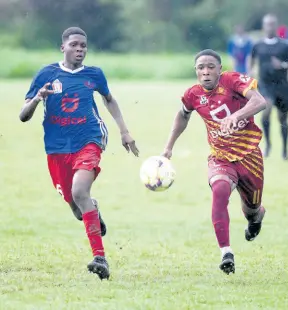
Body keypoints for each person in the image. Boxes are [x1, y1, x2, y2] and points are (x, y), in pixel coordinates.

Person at [20, 27, 139, 280]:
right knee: (77, 208)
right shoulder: (46, 74)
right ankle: (92, 210)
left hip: (89, 140)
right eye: (74, 45)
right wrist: (38, 98)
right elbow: (23, 116)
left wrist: (124, 131)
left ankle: (100, 257)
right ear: (62, 47)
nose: (80, 50)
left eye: (83, 46)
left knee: (79, 191)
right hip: (56, 149)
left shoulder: (94, 75)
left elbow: (109, 99)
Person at [161, 49, 267, 275]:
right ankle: (226, 252)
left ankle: (256, 218)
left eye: (211, 67)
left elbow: (260, 101)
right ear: (196, 71)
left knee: (252, 210)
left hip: (249, 155)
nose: (206, 71)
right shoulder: (192, 94)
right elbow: (183, 114)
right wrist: (169, 146)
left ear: (220, 69)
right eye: (201, 67)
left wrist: (235, 116)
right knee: (220, 189)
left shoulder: (232, 81)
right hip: (220, 156)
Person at [249, 14, 288, 160]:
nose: (270, 27)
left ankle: (284, 150)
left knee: (283, 120)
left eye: (272, 24)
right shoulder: (257, 46)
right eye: (267, 24)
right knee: (266, 110)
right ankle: (268, 144)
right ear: (263, 26)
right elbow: (251, 62)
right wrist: (250, 74)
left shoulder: (285, 45)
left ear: (276, 26)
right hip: (265, 85)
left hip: (282, 86)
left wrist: (283, 65)